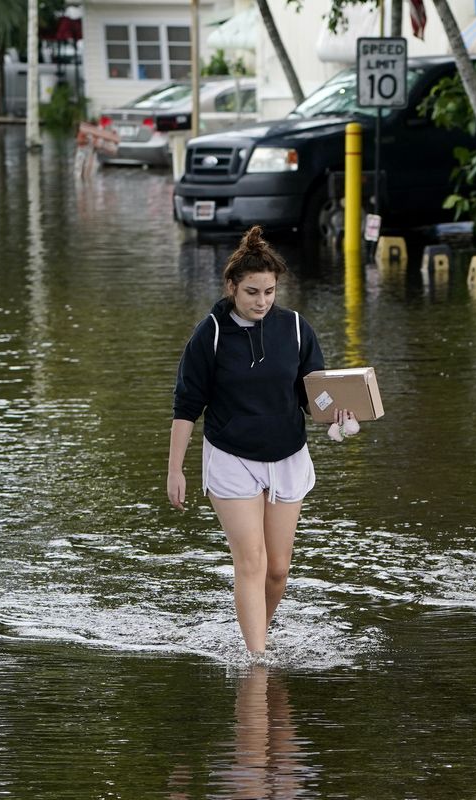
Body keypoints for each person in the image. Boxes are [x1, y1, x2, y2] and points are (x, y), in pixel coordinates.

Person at [167, 225, 327, 659]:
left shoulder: (295, 328)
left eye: (269, 292)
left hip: (287, 454)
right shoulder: (211, 334)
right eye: (252, 292)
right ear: (232, 286)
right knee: (251, 561)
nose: (261, 301)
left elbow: (316, 397)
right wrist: (175, 469)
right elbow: (187, 405)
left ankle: (256, 630)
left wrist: (340, 412)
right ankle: (256, 660)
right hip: (231, 456)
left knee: (277, 571)